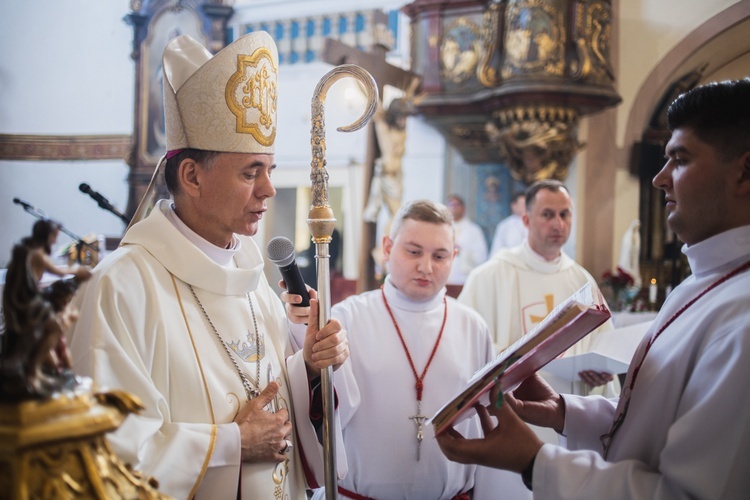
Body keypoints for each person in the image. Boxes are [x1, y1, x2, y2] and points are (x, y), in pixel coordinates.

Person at [437, 78, 750, 499]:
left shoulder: (741, 320)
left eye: (679, 159)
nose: (659, 179)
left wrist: (537, 461)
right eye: (547, 213)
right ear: (527, 220)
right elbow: (654, 423)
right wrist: (565, 411)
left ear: (744, 172)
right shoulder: (702, 285)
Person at [67, 32, 348, 499]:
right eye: (249, 172)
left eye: (270, 170)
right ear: (192, 176)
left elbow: (274, 398)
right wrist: (232, 444)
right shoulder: (121, 288)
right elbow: (101, 450)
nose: (268, 190)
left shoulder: (252, 282)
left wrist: (313, 369)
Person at [285, 200, 529, 499]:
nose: (426, 267)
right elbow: (318, 413)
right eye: (413, 251)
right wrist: (301, 332)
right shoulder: (346, 319)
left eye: (440, 256)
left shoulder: (473, 327)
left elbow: (488, 425)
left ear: (454, 257)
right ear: (387, 248)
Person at [458, 180, 615, 390]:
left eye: (564, 214)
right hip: (511, 408)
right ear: (526, 220)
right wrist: (504, 357)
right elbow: (463, 343)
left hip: (569, 409)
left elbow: (604, 345)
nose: (558, 224)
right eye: (547, 215)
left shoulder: (582, 280)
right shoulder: (489, 276)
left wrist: (601, 369)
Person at [22, 218, 92, 283]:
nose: (55, 241)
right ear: (47, 235)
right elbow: (59, 272)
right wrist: (77, 270)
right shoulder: (38, 254)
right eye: (54, 236)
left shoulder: (28, 247)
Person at [446, 194, 488, 285]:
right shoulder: (442, 228)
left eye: (457, 205)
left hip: (465, 278)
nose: (454, 208)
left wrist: (461, 251)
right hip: (445, 278)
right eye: (451, 205)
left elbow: (481, 256)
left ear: (464, 208)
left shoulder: (474, 230)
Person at [489, 191, 528, 256]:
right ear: (514, 206)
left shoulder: (535, 223)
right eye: (523, 205)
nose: (526, 208)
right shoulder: (504, 225)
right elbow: (496, 249)